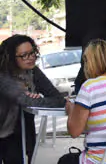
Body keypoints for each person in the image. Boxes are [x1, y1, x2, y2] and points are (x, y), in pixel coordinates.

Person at [0, 35, 65, 164]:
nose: (30, 58)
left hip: (18, 131)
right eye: (24, 55)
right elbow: (28, 101)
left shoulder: (33, 71)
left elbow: (57, 98)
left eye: (32, 53)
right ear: (11, 58)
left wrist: (39, 98)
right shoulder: (3, 76)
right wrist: (35, 100)